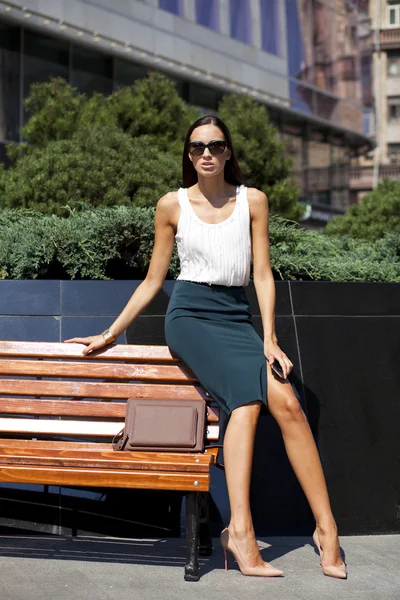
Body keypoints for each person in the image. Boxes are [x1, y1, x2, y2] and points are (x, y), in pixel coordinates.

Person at [65, 115, 347, 580]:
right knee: (249, 401)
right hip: (191, 316)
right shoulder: (171, 205)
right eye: (197, 148)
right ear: (189, 155)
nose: (207, 154)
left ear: (229, 152)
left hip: (237, 317)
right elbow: (155, 280)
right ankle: (241, 531)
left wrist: (270, 339)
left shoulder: (252, 201)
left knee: (290, 405)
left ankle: (326, 530)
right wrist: (109, 333)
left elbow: (261, 275)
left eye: (216, 145)